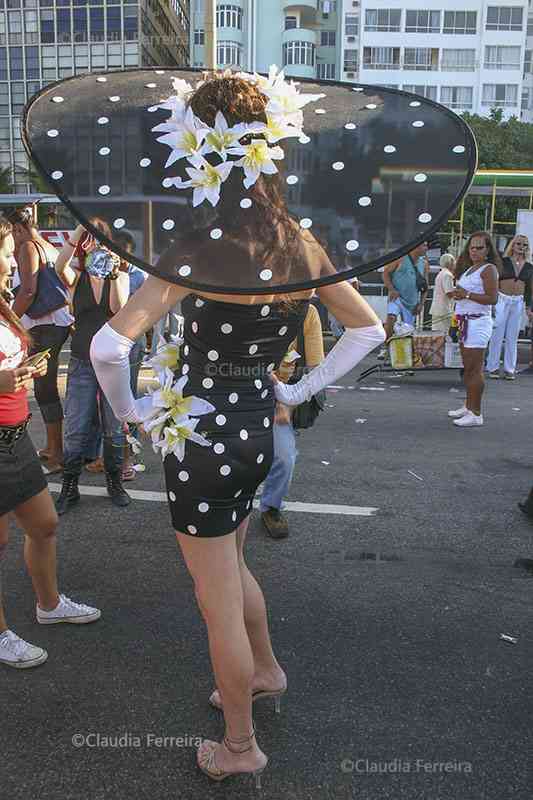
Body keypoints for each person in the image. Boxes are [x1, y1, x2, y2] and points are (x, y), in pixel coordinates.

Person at [89, 73, 385, 785]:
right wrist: (295, 387)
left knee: (212, 595)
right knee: (232, 565)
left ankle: (239, 745)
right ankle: (266, 671)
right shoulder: (299, 243)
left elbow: (107, 346)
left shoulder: (194, 247)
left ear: (202, 154)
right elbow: (367, 331)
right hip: (259, 425)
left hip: (200, 436)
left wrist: (130, 414)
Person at [0, 217, 100, 669]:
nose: (11, 262)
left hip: (17, 437)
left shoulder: (3, 302)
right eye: (5, 253)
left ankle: (49, 604)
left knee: (44, 525)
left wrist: (25, 368)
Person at [53, 219, 131, 515]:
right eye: (91, 242)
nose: (96, 247)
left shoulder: (119, 277)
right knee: (75, 426)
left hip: (111, 365)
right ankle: (69, 487)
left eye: (101, 242)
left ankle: (114, 482)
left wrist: (111, 271)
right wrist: (79, 230)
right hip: (82, 362)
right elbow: (59, 265)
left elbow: (118, 308)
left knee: (114, 427)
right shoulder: (76, 278)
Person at [8, 207, 73, 474]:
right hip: (56, 323)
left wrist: (9, 320)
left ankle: (56, 453)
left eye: (11, 231)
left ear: (19, 228)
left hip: (43, 325)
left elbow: (28, 290)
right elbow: (66, 282)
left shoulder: (28, 248)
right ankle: (52, 448)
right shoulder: (49, 245)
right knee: (45, 387)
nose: (11, 238)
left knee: (45, 389)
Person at [260, 302, 324, 539]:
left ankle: (271, 507)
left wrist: (287, 403)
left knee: (284, 458)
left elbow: (314, 370)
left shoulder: (307, 312)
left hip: (285, 394)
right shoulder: (249, 302)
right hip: (243, 390)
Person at [447, 231, 500, 428]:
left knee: (474, 369)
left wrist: (466, 294)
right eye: (472, 247)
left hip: (477, 323)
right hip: (465, 322)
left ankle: (476, 413)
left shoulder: (489, 269)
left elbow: (492, 298)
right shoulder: (471, 269)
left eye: (479, 247)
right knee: (467, 368)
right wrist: (459, 295)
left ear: (488, 250)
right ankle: (469, 406)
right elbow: (468, 294)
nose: (474, 251)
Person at [115, 230, 148, 480]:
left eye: (123, 251)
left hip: (131, 344)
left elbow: (146, 314)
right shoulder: (105, 273)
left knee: (127, 397)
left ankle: (130, 451)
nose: (120, 256)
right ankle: (110, 452)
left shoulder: (139, 276)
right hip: (109, 346)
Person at [486, 234, 533, 380]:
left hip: (518, 301)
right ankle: (493, 367)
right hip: (502, 299)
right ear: (513, 245)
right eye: (518, 244)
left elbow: (530, 289)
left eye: (524, 245)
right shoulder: (503, 262)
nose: (521, 247)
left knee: (513, 336)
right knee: (497, 333)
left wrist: (529, 307)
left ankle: (509, 368)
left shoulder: (530, 266)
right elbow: (495, 280)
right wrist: (492, 301)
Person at [382, 242, 429, 340]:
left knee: (407, 331)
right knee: (391, 317)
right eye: (424, 245)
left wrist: (421, 304)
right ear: (416, 246)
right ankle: (385, 346)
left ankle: (405, 351)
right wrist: (391, 289)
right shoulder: (400, 258)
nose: (426, 248)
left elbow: (425, 287)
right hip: (396, 297)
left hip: (412, 302)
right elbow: (385, 273)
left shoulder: (424, 264)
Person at [429, 253, 456, 333]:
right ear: (450, 262)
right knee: (441, 334)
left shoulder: (441, 273)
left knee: (436, 333)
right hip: (443, 309)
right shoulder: (448, 275)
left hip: (437, 308)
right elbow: (449, 293)